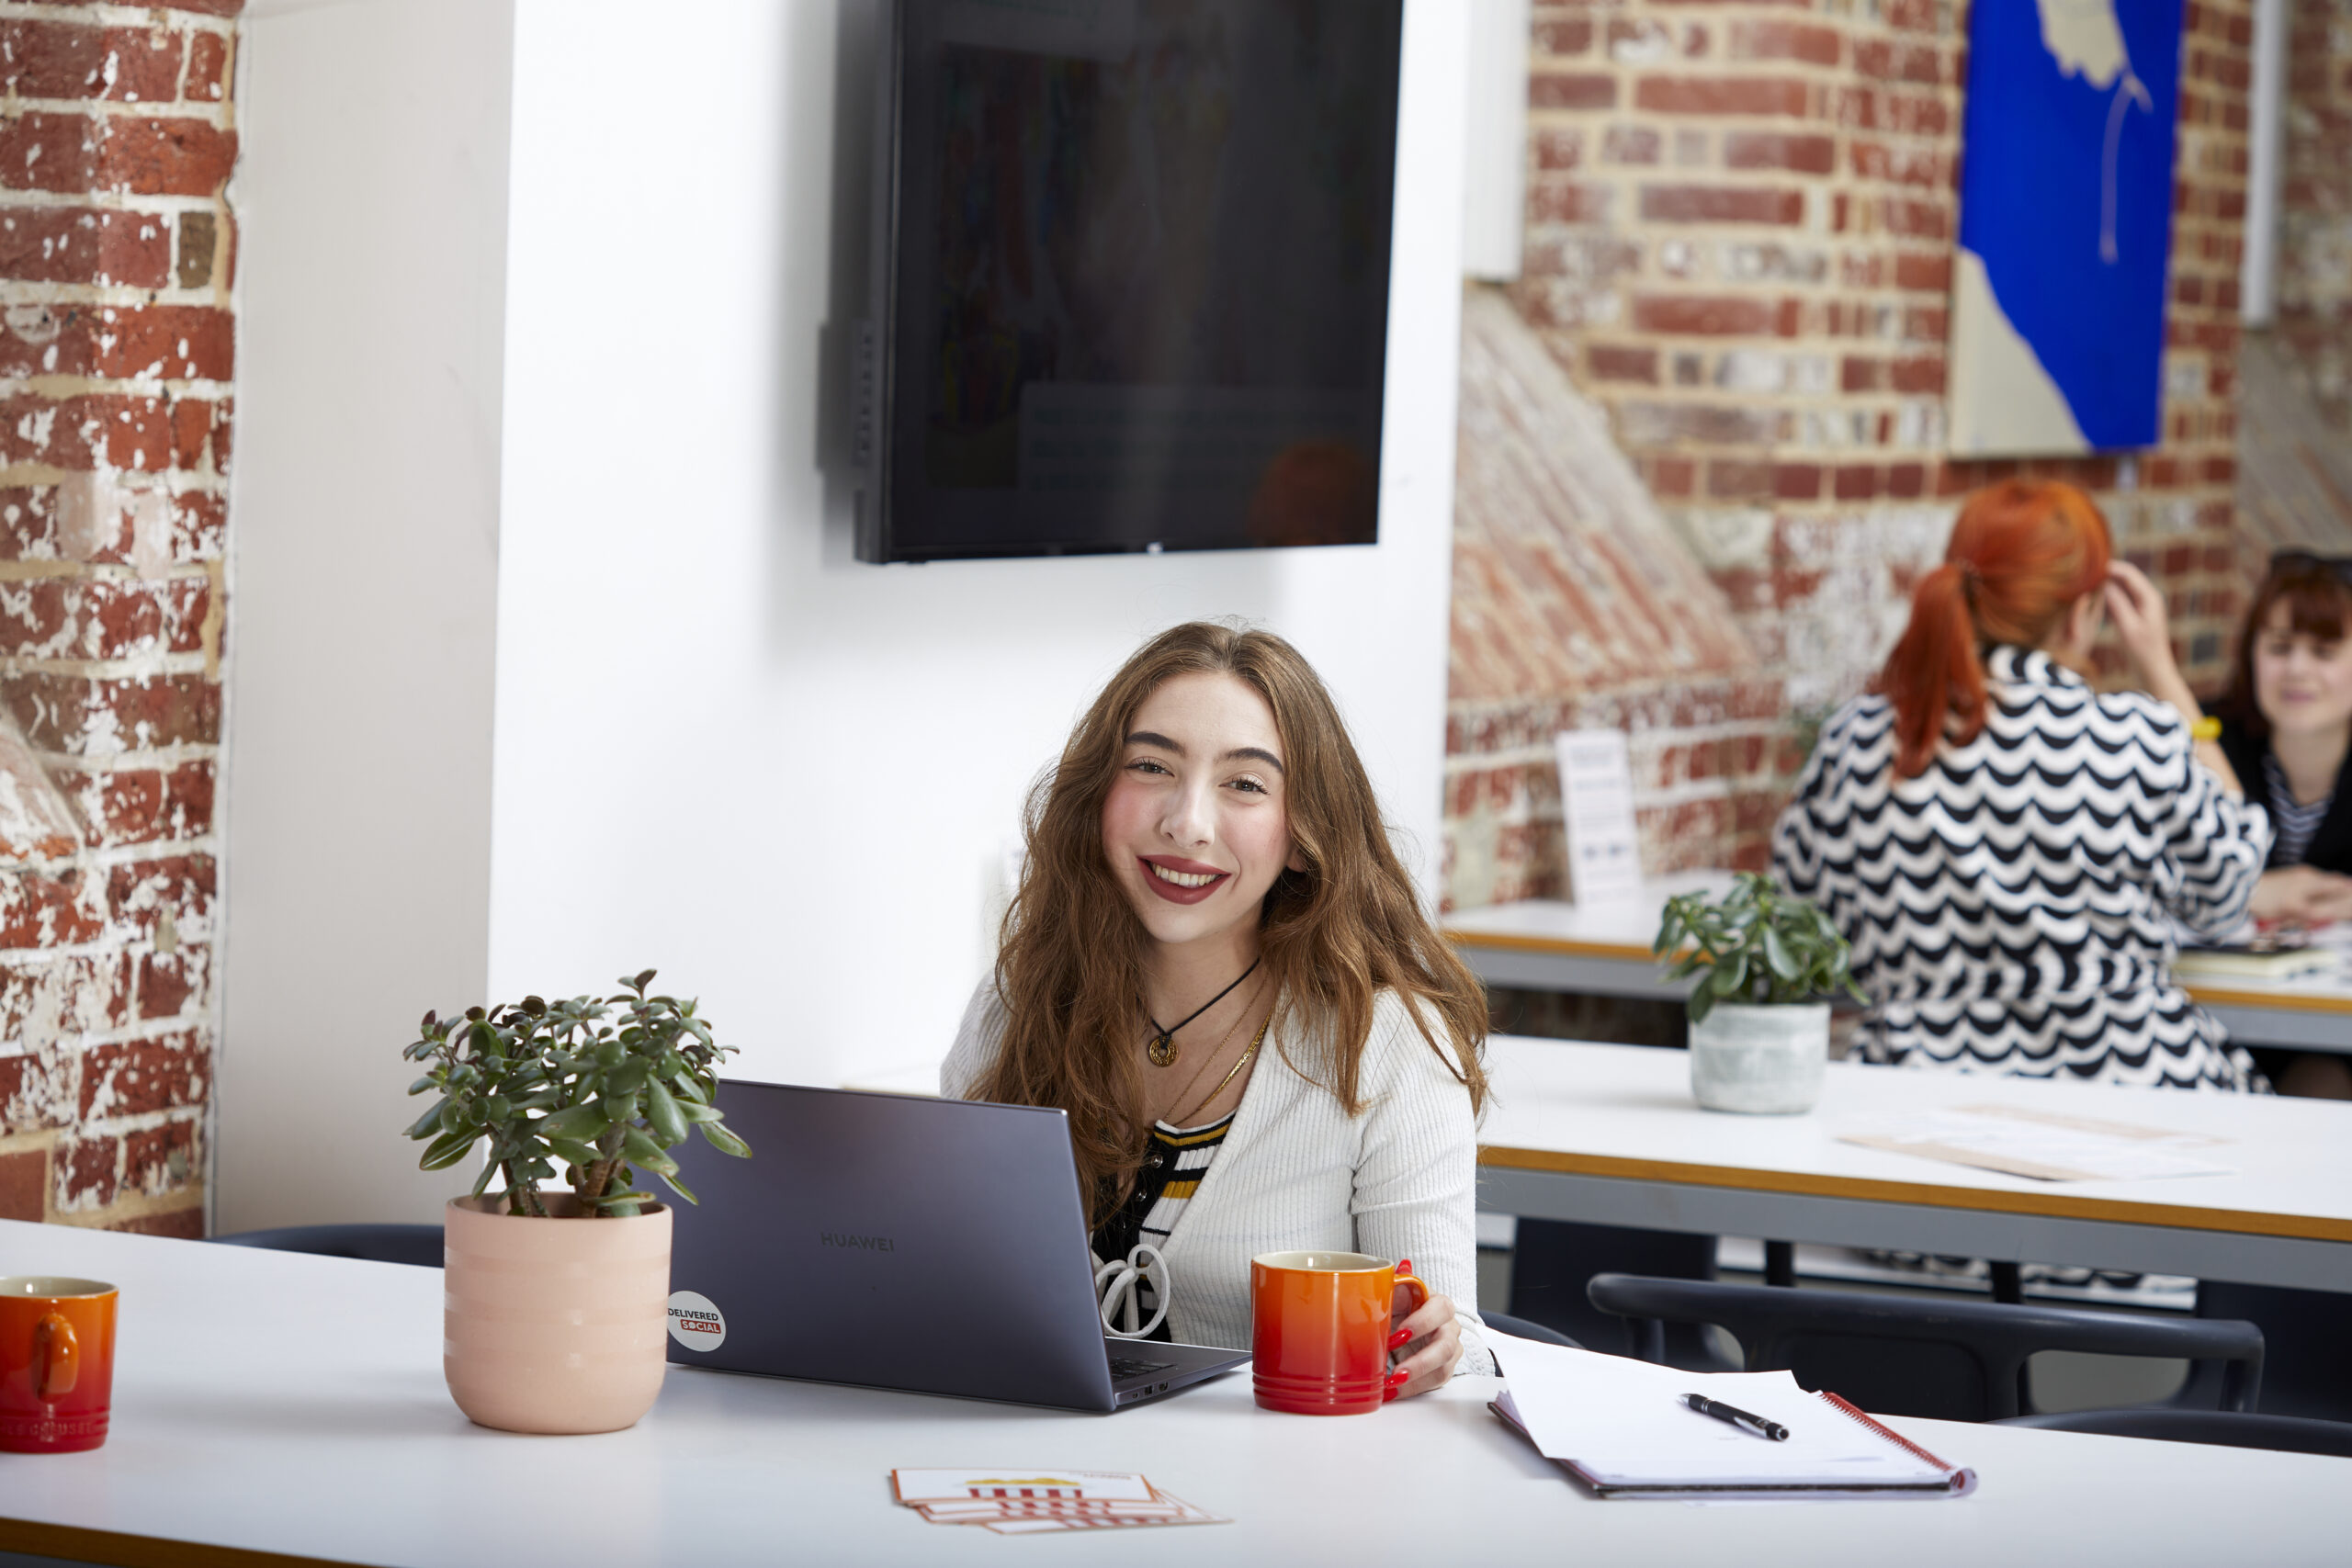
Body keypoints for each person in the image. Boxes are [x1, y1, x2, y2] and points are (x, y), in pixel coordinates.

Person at [942, 621, 1492, 1394]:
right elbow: (949, 1281)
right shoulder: (1017, 1004)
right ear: (1099, 795)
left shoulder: (1387, 1041)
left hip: (1282, 1491)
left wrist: (1442, 1344)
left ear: (1302, 836)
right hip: (1036, 1469)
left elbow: (1449, 1340)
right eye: (1151, 765)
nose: (1186, 822)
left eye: (1244, 783)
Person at [1771, 479, 2272, 1089]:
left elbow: (1797, 915)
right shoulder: (2133, 736)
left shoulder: (1859, 738)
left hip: (1916, 1095)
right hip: (2132, 1090)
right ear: (2084, 612)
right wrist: (2162, 670)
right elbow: (2226, 892)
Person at [2214, 550, 2352, 1099]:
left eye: (2323, 651)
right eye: (2278, 648)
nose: (2297, 670)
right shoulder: (2212, 744)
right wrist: (2258, 890)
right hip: (2221, 1022)